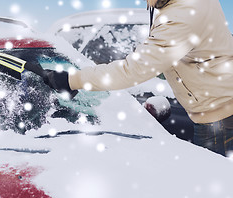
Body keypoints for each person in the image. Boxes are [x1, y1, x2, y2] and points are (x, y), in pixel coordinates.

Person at [44, 0, 233, 157]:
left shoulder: (182, 16)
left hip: (218, 118)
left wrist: (73, 80)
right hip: (221, 106)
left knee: (220, 189)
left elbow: (135, 69)